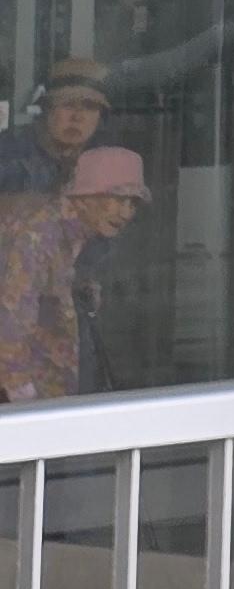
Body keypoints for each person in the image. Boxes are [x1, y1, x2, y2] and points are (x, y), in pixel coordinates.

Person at [0, 144, 147, 400]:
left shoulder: (86, 237)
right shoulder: (38, 237)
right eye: (117, 199)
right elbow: (10, 324)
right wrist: (26, 402)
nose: (126, 213)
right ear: (85, 196)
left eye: (133, 203)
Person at [0, 63, 108, 196]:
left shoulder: (106, 160)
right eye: (68, 105)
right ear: (46, 109)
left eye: (90, 107)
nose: (78, 117)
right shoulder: (9, 155)